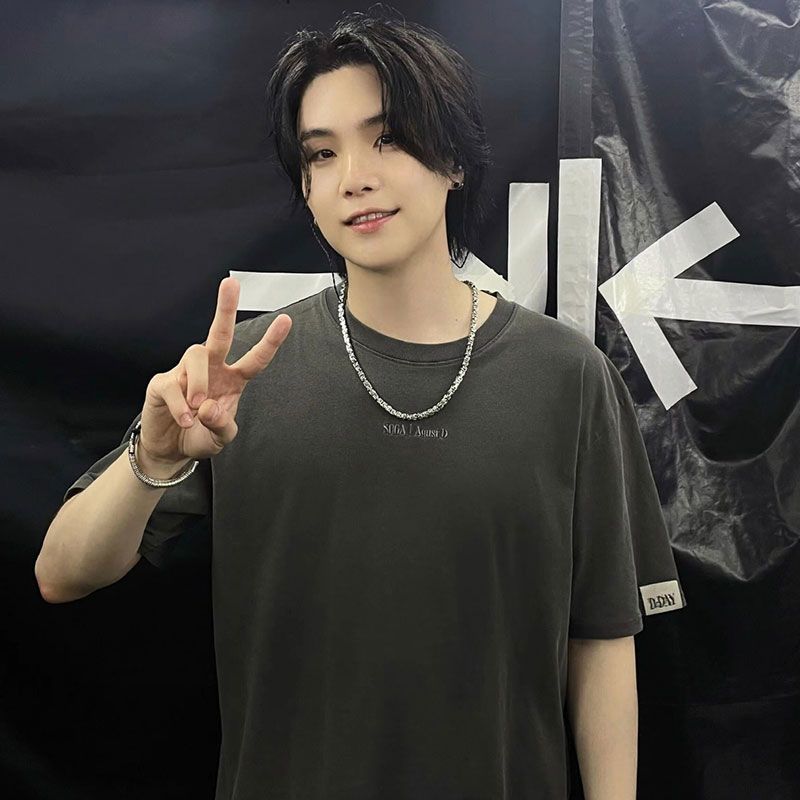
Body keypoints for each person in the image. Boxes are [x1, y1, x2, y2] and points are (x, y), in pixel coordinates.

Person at [35, 5, 686, 799]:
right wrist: (155, 458)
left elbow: (603, 637)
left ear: (453, 159)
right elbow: (61, 573)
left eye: (388, 138)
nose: (354, 177)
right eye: (321, 153)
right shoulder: (238, 374)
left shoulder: (568, 378)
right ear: (306, 189)